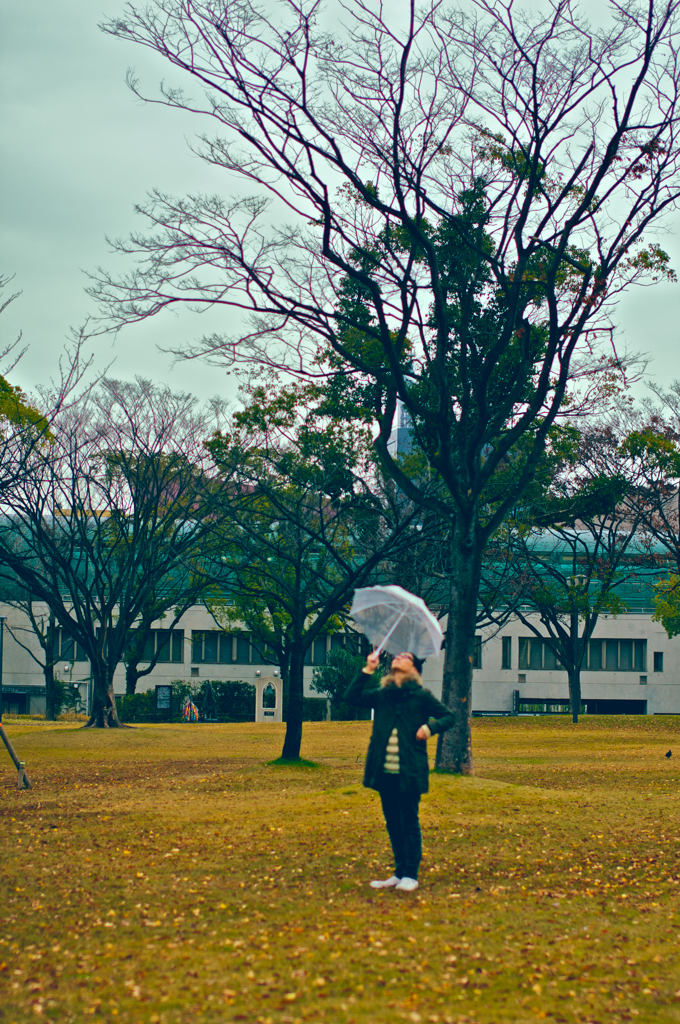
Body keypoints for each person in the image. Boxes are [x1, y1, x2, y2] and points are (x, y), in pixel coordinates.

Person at [344, 649, 455, 892]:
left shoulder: (422, 696)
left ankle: (410, 876)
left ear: (415, 669)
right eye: (396, 656)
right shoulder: (383, 694)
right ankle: (398, 873)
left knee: (409, 821)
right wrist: (367, 670)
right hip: (384, 772)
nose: (397, 658)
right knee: (393, 822)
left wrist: (429, 728)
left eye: (405, 657)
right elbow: (351, 697)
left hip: (409, 772)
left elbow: (449, 716)